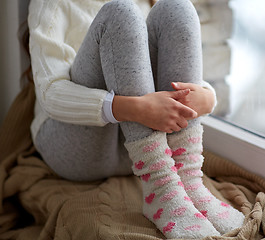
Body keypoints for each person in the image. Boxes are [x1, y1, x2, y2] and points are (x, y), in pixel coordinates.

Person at [28, 0, 245, 238]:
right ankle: (161, 189)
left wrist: (208, 97)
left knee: (177, 7)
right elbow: (50, 94)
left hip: (138, 149)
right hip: (74, 147)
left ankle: (188, 182)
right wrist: (134, 108)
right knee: (120, 12)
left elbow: (155, 71)